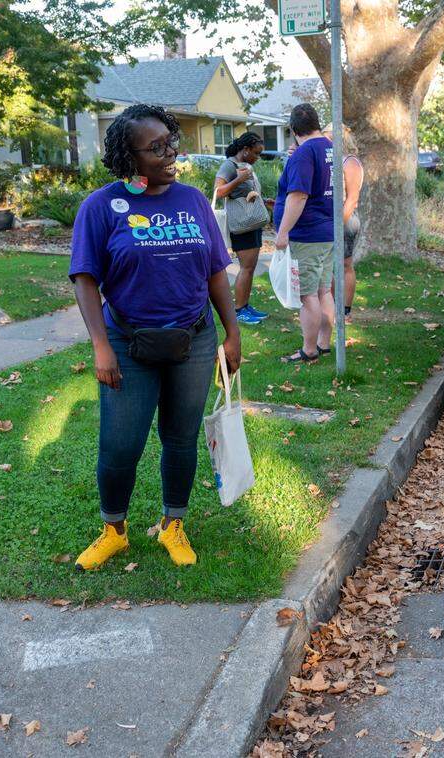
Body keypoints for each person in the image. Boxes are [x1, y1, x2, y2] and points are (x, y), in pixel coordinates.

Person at [68, 104, 241, 570]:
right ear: (129, 157)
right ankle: (114, 531)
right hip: (128, 343)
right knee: (121, 443)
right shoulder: (101, 207)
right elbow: (85, 278)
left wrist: (232, 333)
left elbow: (216, 273)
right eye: (157, 147)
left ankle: (173, 525)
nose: (171, 153)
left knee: (181, 438)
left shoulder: (193, 201)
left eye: (172, 141)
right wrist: (101, 345)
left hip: (195, 340)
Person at [274, 103, 334, 363]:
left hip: (307, 234)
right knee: (324, 291)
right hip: (327, 232)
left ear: (293, 129)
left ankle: (309, 351)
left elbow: (298, 196)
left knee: (307, 294)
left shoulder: (304, 153)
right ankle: (324, 343)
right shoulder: (330, 147)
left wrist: (283, 232)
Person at [215, 131, 269, 324]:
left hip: (252, 221)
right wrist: (238, 179)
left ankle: (245, 306)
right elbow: (218, 191)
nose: (258, 157)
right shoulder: (229, 165)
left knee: (250, 267)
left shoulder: (244, 165)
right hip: (242, 224)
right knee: (246, 267)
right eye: (255, 153)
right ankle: (239, 310)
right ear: (245, 150)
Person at [322, 124, 363, 322]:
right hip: (330, 220)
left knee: (345, 264)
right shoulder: (332, 160)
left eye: (328, 136)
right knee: (328, 266)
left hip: (345, 220)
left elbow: (352, 199)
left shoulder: (350, 162)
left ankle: (345, 310)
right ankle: (331, 306)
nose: (325, 140)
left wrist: (337, 226)